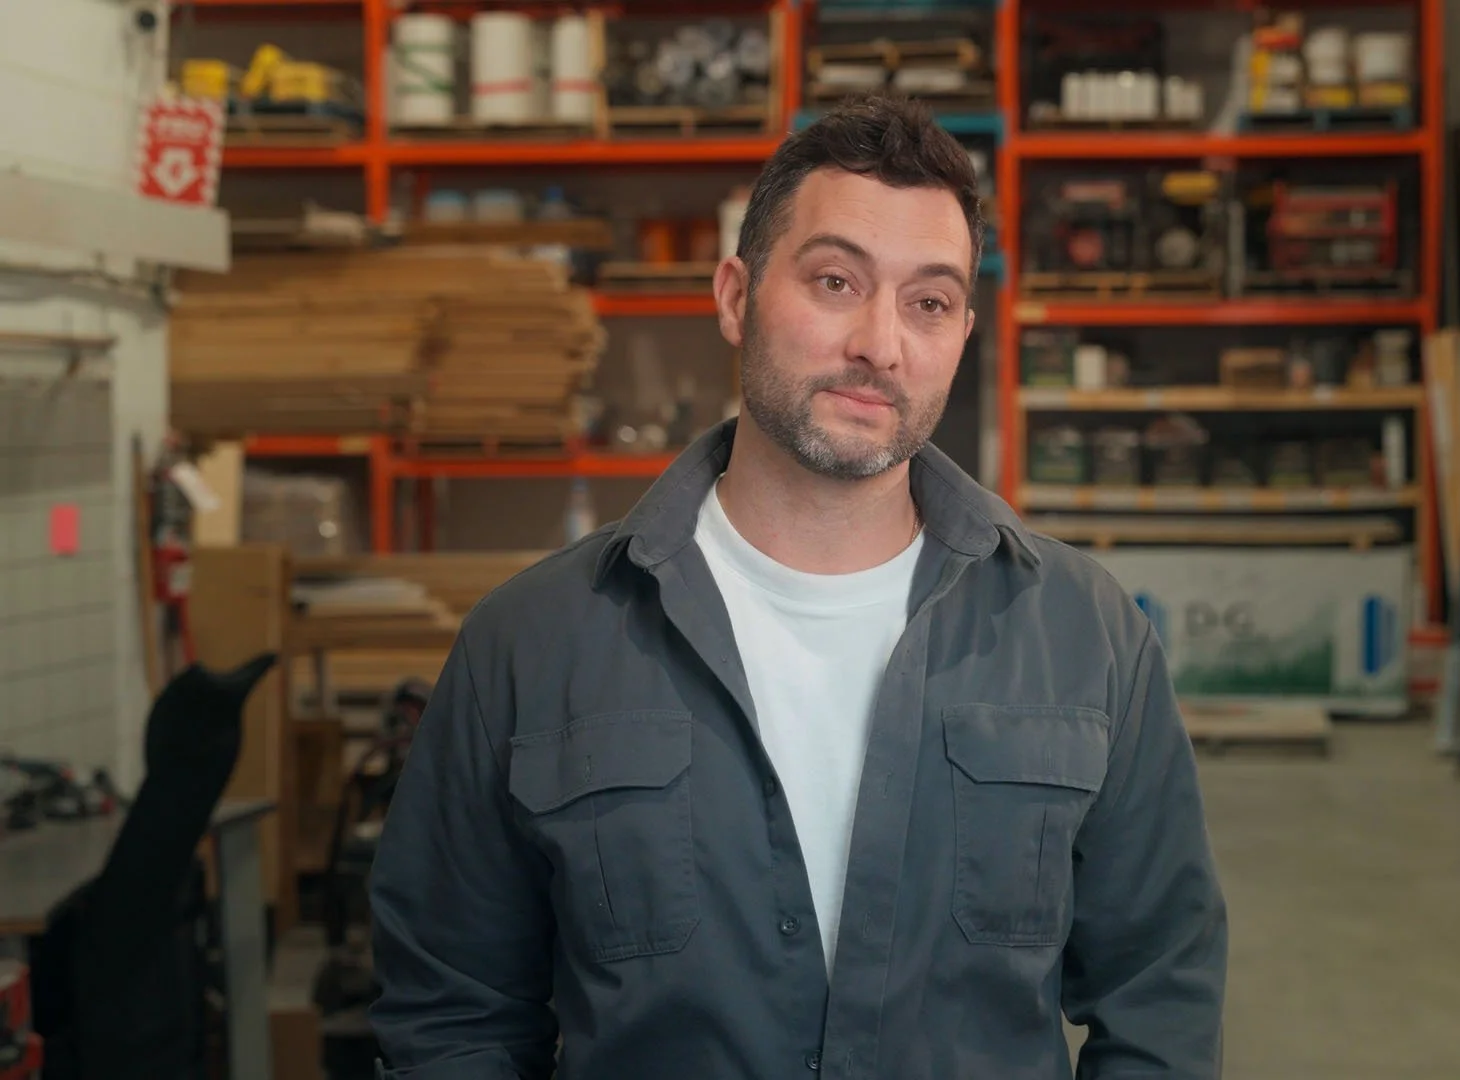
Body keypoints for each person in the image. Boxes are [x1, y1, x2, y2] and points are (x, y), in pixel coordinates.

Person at [367, 94, 1227, 1079]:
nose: (880, 342)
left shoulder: (1084, 635)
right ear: (734, 295)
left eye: (929, 302)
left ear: (962, 331)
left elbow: (1162, 998)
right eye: (834, 281)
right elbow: (450, 1020)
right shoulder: (535, 643)